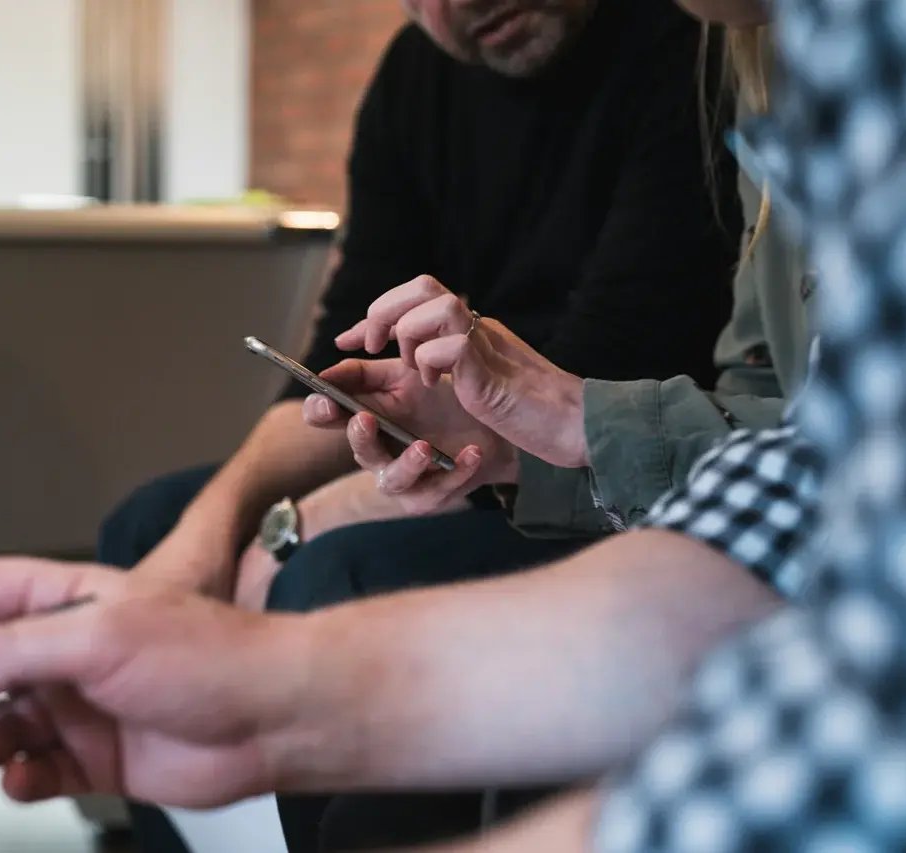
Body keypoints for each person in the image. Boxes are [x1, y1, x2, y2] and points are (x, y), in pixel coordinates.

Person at [0, 0, 906, 848]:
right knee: (159, 522)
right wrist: (246, 647)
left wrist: (288, 609)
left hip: (583, 475)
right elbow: (800, 482)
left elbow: (888, 681)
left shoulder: (732, 51)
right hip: (575, 464)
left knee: (329, 569)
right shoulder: (770, 60)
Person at [99, 0, 739, 844]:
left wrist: (288, 529)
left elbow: (602, 381)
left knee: (332, 571)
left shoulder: (688, 46)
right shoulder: (416, 77)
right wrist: (207, 535)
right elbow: (338, 358)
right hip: (479, 445)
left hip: (600, 475)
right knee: (149, 524)